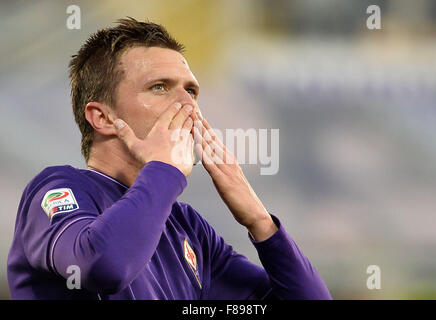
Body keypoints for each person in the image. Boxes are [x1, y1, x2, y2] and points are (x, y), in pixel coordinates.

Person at [7, 18, 332, 300]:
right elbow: (105, 266)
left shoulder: (188, 227)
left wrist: (260, 222)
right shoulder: (57, 190)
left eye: (191, 91)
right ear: (102, 118)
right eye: (160, 87)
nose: (187, 105)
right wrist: (164, 169)